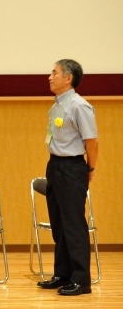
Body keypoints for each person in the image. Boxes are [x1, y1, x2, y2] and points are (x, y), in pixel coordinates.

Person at [37, 59, 99, 295]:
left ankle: (81, 280)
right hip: (55, 166)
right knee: (59, 224)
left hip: (72, 168)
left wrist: (90, 169)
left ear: (68, 78)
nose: (50, 77)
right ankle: (63, 274)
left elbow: (92, 141)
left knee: (73, 225)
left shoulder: (79, 105)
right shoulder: (57, 105)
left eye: (54, 73)